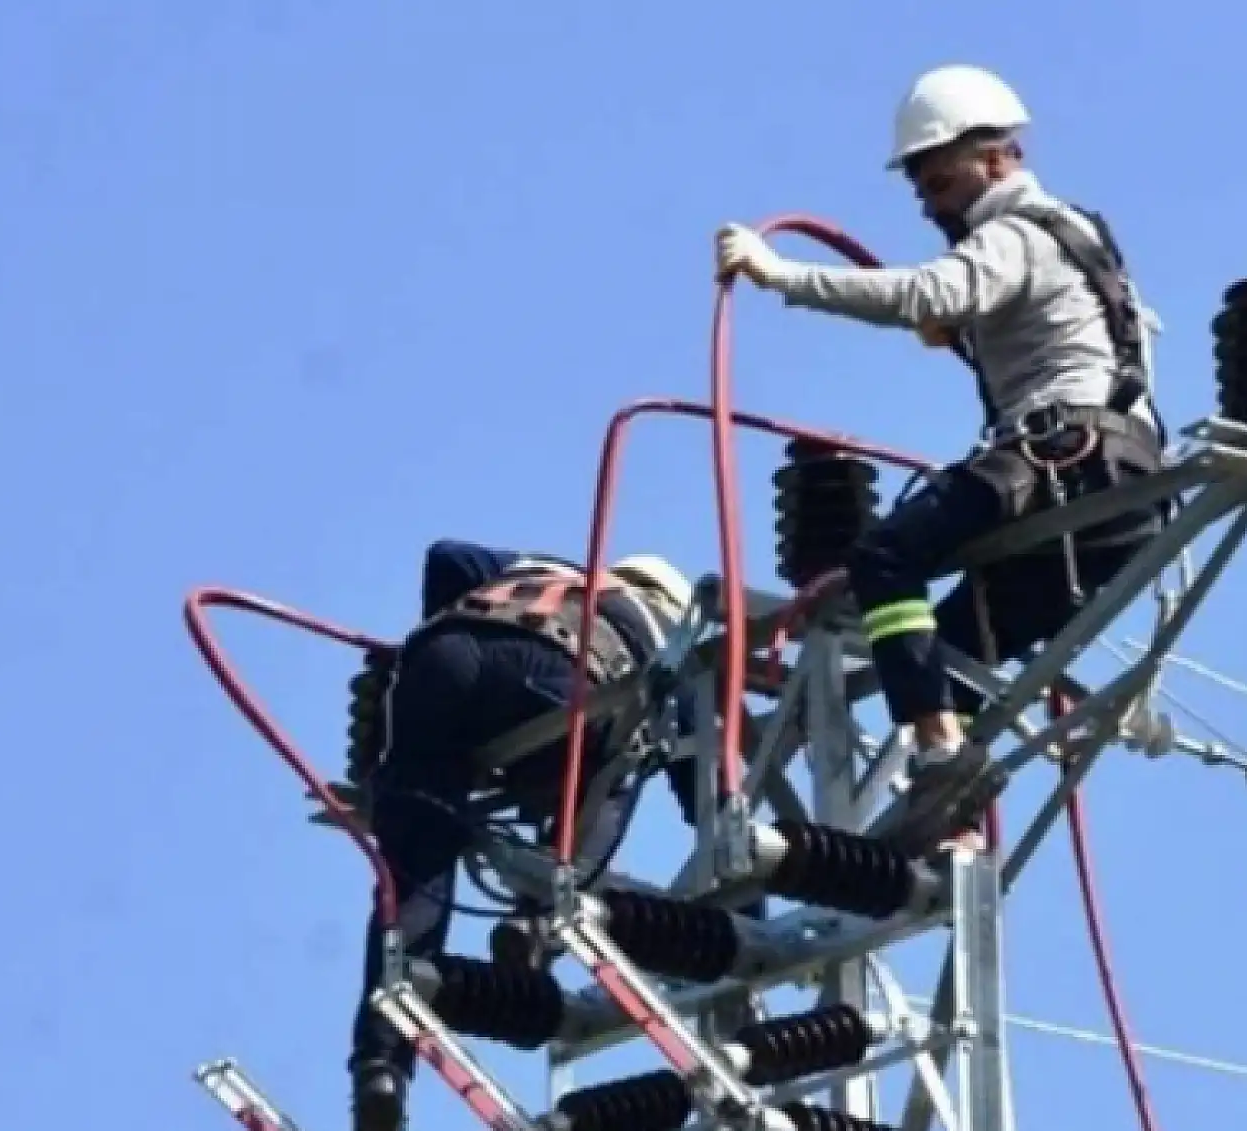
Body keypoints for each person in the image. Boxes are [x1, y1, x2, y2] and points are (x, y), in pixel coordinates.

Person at [714, 64, 1169, 856]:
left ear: (999, 158)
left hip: (1060, 459)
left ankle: (936, 754)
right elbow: (1076, 330)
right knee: (947, 660)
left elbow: (926, 294)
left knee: (886, 558)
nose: (929, 201)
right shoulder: (1082, 235)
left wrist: (775, 272)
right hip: (1125, 493)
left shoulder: (1014, 231)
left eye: (940, 178)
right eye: (921, 186)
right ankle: (951, 820)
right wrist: (967, 329)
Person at [346, 539, 705, 1131]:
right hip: (562, 679)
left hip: (442, 658)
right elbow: (703, 788)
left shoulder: (543, 571)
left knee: (413, 871)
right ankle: (535, 923)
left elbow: (443, 556)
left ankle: (381, 1064)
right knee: (627, 761)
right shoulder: (672, 636)